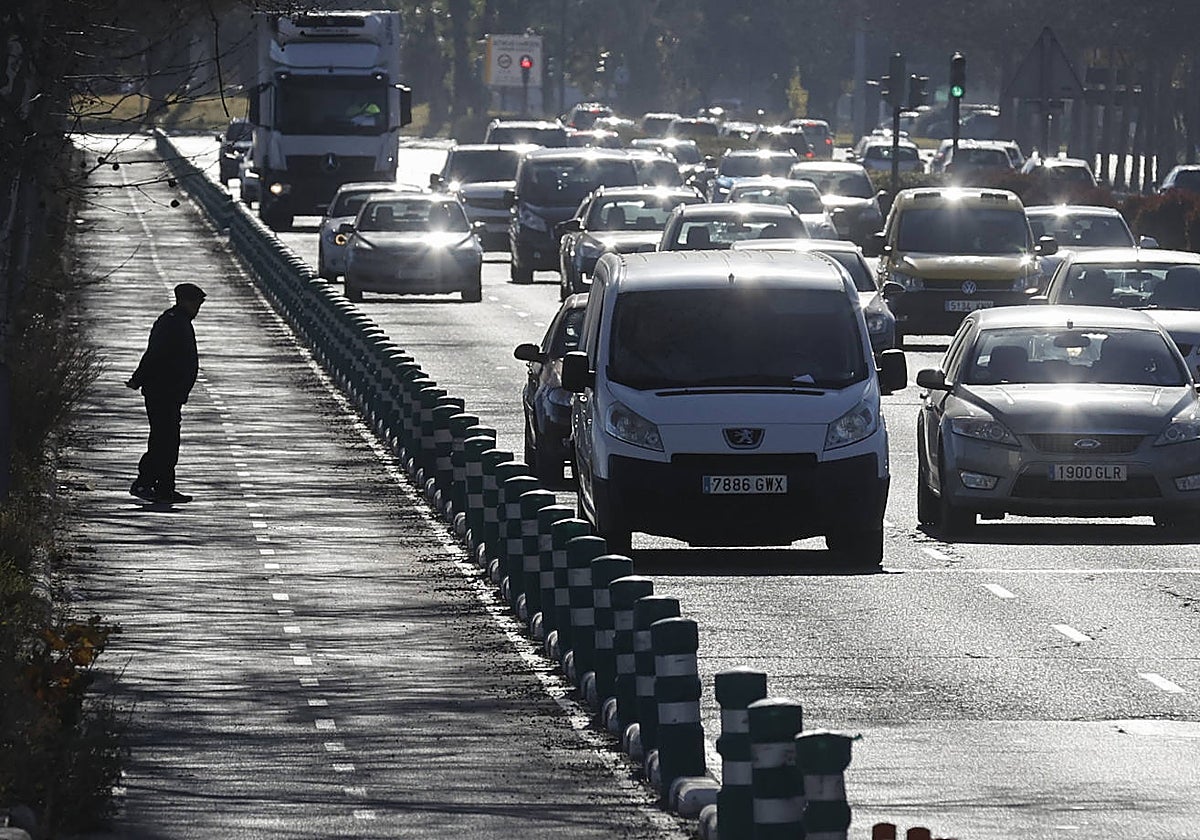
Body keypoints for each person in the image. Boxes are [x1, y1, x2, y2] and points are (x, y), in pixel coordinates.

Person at [126, 282, 206, 503]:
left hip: (170, 393)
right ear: (185, 302)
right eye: (196, 303)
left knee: (167, 440)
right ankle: (145, 483)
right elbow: (154, 355)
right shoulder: (172, 323)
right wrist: (137, 378)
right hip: (162, 391)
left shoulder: (178, 321)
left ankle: (164, 488)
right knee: (164, 441)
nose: (198, 309)